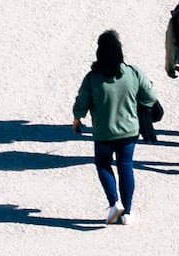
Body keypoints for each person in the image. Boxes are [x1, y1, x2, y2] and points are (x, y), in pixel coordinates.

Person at [74, 28, 155, 223]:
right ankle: (127, 212)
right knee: (125, 167)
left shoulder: (92, 78)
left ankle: (114, 202)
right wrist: (139, 107)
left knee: (103, 164)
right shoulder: (132, 73)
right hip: (129, 131)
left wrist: (77, 119)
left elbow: (82, 103)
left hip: (104, 133)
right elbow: (150, 96)